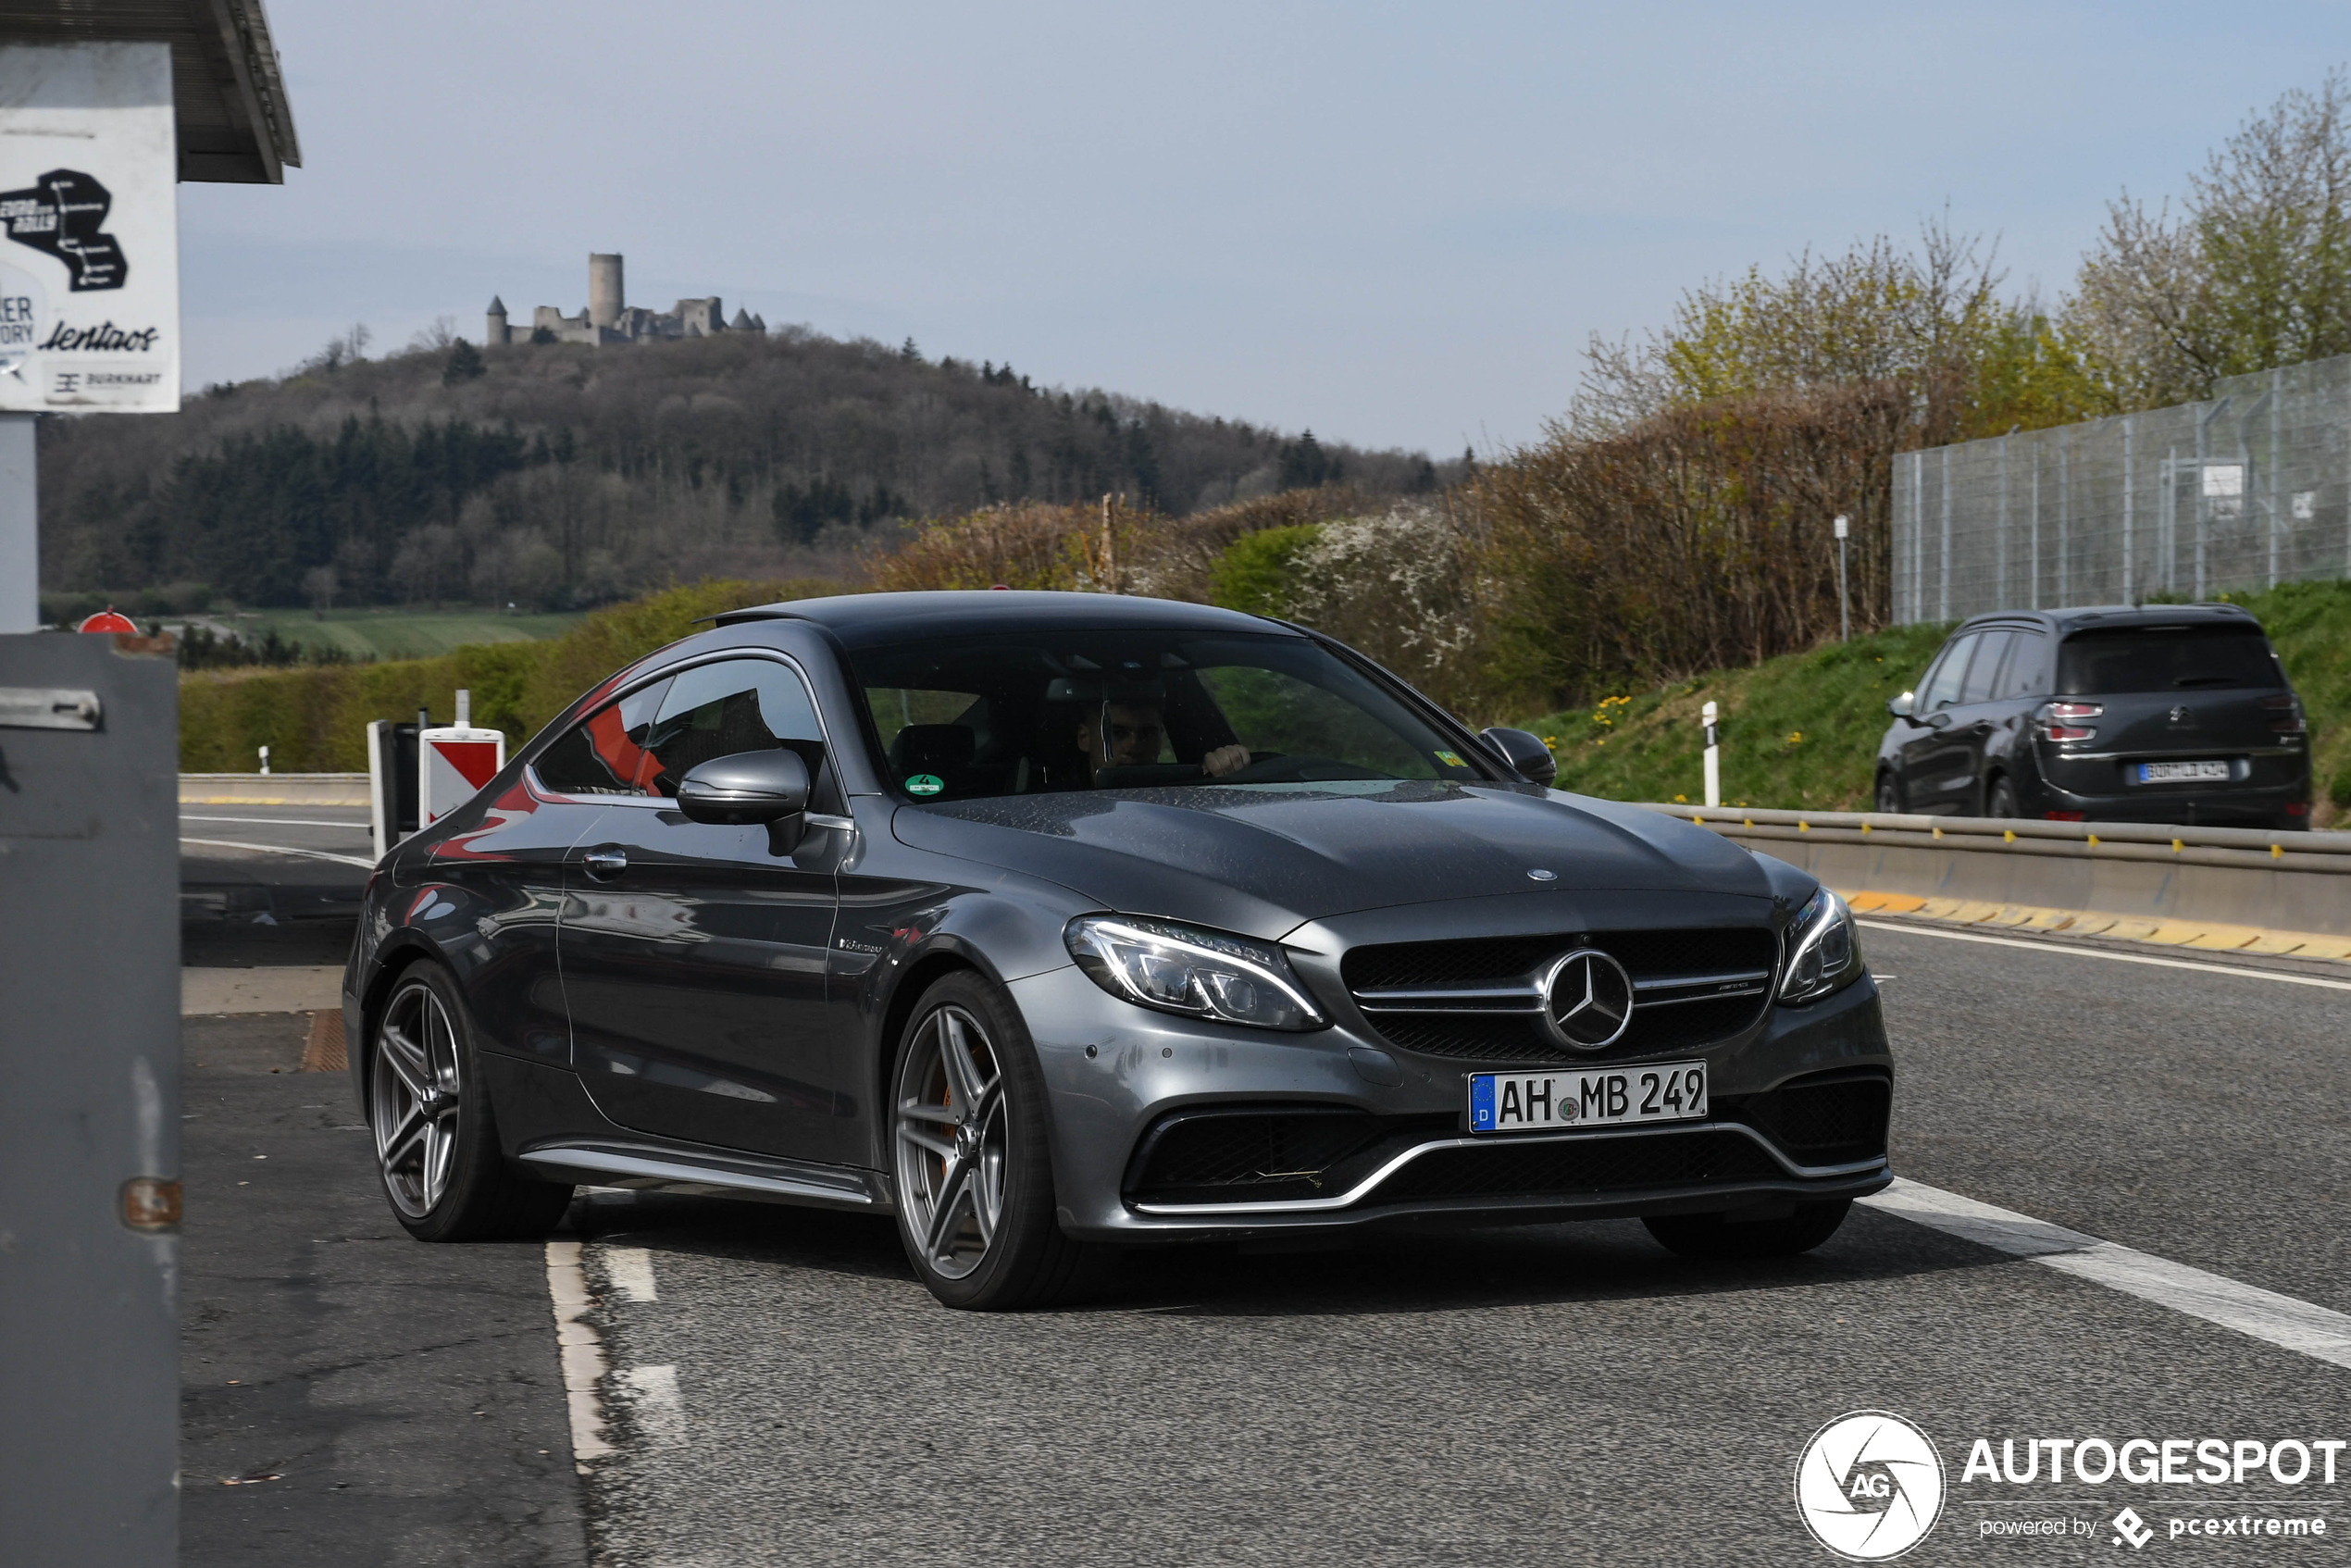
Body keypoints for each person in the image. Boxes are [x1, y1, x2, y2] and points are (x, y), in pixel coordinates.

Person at [1076, 699, 1248, 784]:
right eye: (1118, 733)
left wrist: (1226, 765)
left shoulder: (1185, 792)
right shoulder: (1057, 806)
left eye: (1147, 733)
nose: (1134, 745)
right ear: (1084, 738)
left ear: (1160, 738)